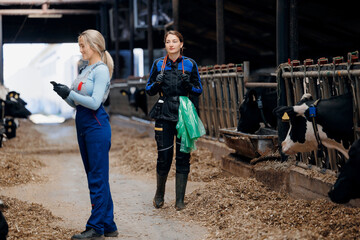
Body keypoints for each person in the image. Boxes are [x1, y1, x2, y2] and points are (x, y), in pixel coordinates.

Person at [51, 29, 118, 240]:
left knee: (97, 177)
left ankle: (96, 228)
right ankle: (108, 225)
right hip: (82, 122)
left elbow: (95, 102)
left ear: (95, 46)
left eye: (83, 46)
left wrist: (71, 94)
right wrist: (64, 94)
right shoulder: (85, 69)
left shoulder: (101, 71)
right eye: (79, 45)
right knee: (95, 175)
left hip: (96, 123)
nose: (80, 50)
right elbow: (76, 101)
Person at [145, 30, 203, 210]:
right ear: (165, 45)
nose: (171, 44)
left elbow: (198, 90)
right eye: (168, 41)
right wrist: (157, 83)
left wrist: (188, 85)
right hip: (163, 111)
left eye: (175, 41)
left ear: (181, 44)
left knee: (183, 156)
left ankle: (179, 200)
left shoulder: (190, 64)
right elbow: (149, 90)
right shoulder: (158, 65)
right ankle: (159, 193)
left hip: (183, 112)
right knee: (164, 156)